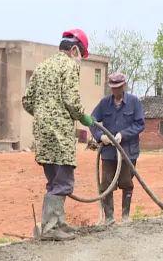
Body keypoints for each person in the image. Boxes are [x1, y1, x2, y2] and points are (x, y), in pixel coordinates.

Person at [23, 29, 95, 241]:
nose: (80, 59)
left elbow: (27, 101)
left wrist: (43, 115)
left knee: (54, 179)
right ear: (74, 50)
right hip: (60, 133)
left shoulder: (42, 66)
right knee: (63, 180)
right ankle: (52, 227)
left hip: (42, 133)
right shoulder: (69, 65)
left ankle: (56, 223)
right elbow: (71, 100)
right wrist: (83, 118)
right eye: (81, 54)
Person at [90, 72, 145, 224]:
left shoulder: (134, 102)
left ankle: (126, 216)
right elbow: (91, 121)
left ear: (124, 86)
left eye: (118, 87)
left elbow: (140, 124)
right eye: (113, 88)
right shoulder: (104, 103)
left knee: (126, 182)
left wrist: (123, 134)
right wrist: (101, 136)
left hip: (128, 151)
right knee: (106, 184)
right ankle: (109, 218)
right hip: (108, 152)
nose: (115, 91)